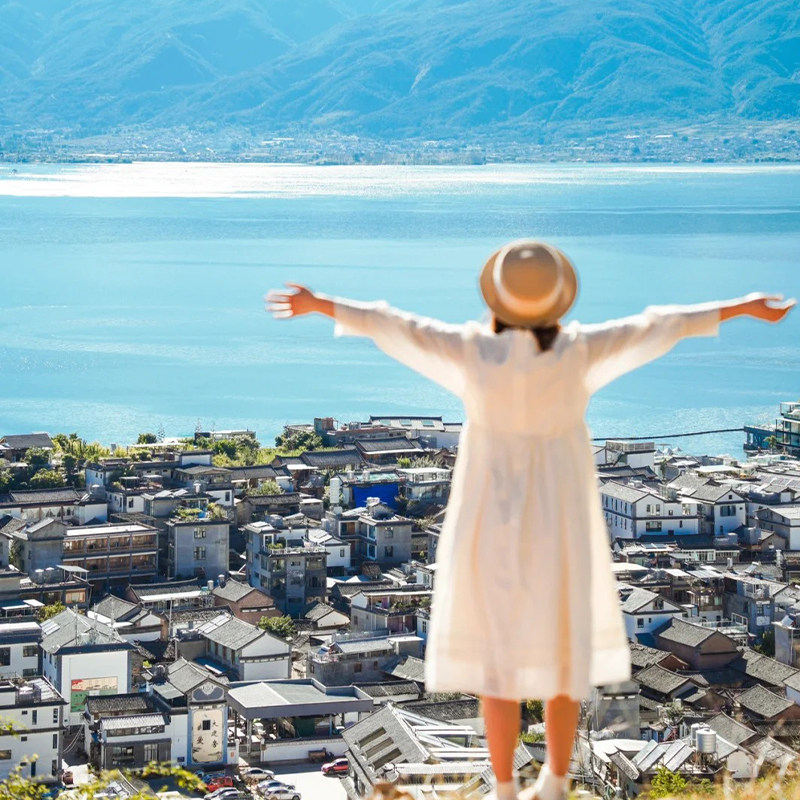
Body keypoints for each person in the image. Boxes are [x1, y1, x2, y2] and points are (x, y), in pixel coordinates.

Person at [265, 241, 795, 800]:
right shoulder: (578, 350)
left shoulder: (473, 350)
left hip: (489, 510)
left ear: (496, 297)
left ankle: (503, 786)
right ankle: (557, 780)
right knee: (560, 645)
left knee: (499, 653)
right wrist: (743, 306)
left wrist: (320, 303)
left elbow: (394, 325)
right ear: (558, 300)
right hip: (559, 511)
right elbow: (660, 325)